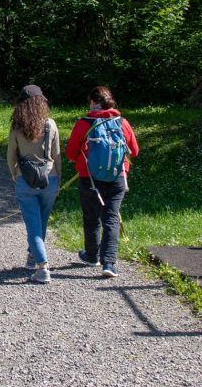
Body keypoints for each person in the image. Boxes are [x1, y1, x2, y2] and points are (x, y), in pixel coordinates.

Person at [65, 86, 139, 278]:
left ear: (92, 102)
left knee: (91, 219)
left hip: (89, 179)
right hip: (117, 178)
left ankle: (91, 256)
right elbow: (135, 151)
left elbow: (71, 153)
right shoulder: (122, 122)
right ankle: (109, 263)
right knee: (111, 218)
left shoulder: (84, 123)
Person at [7, 84, 62, 284]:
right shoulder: (51, 124)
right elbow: (57, 156)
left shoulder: (16, 127)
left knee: (33, 227)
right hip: (50, 179)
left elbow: (10, 156)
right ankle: (33, 256)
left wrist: (15, 174)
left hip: (26, 180)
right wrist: (59, 181)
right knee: (42, 222)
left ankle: (43, 267)